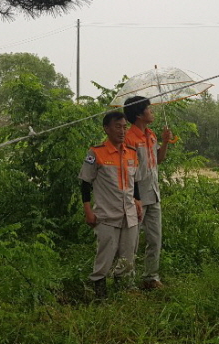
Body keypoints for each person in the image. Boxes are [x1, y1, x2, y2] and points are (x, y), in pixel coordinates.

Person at [78, 111, 142, 299]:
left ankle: (123, 289)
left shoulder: (131, 152)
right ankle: (99, 292)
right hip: (106, 215)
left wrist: (138, 201)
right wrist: (88, 210)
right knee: (105, 255)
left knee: (128, 255)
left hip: (129, 214)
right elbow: (85, 183)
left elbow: (135, 181)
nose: (122, 131)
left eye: (124, 127)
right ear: (106, 128)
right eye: (117, 127)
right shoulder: (96, 153)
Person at [123, 96, 172, 290]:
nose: (152, 112)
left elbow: (159, 160)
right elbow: (128, 172)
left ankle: (151, 277)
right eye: (149, 109)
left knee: (155, 238)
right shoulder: (129, 138)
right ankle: (127, 282)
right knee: (131, 242)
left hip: (154, 194)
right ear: (138, 114)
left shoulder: (151, 135)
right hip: (136, 197)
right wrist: (134, 198)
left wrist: (165, 142)